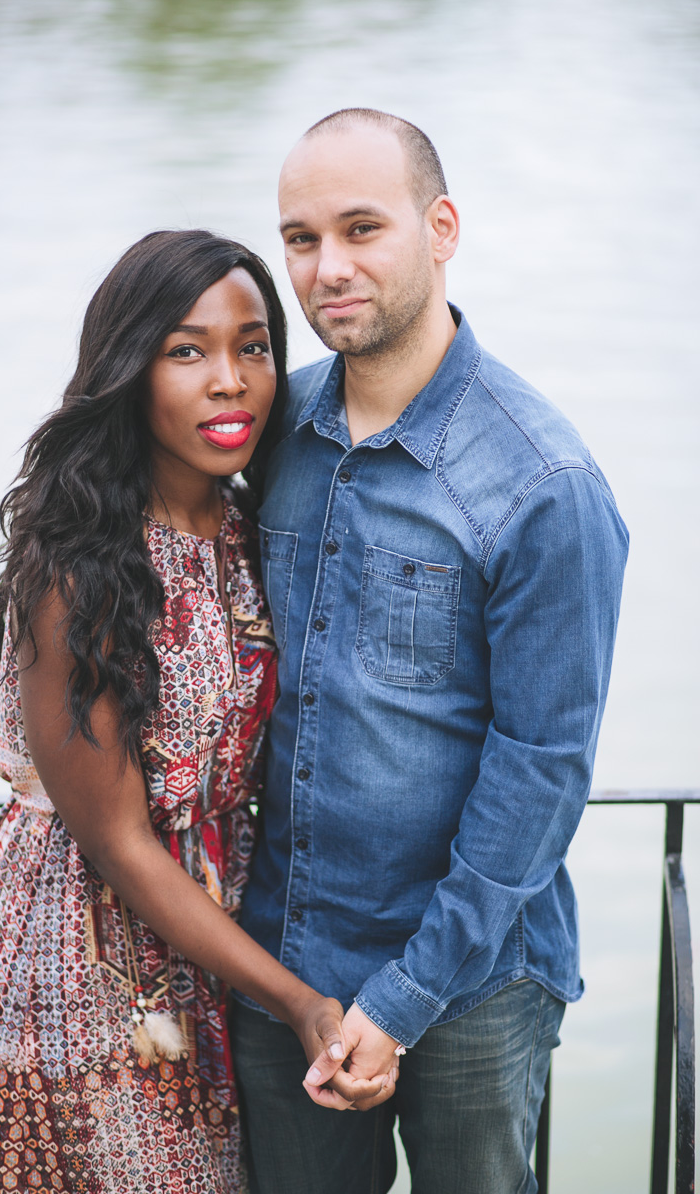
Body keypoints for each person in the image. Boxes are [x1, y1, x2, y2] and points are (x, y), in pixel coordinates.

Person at [0, 229, 393, 1194]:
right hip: (82, 952)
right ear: (128, 371)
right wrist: (301, 1001)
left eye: (254, 346)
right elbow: (121, 843)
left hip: (209, 938)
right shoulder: (80, 566)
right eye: (187, 351)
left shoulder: (243, 522)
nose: (230, 379)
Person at [230, 109, 630, 1193]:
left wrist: (401, 999)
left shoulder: (542, 484)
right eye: (300, 239)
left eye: (362, 228)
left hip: (474, 988)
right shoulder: (277, 432)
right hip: (284, 966)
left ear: (440, 225)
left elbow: (541, 768)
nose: (327, 268)